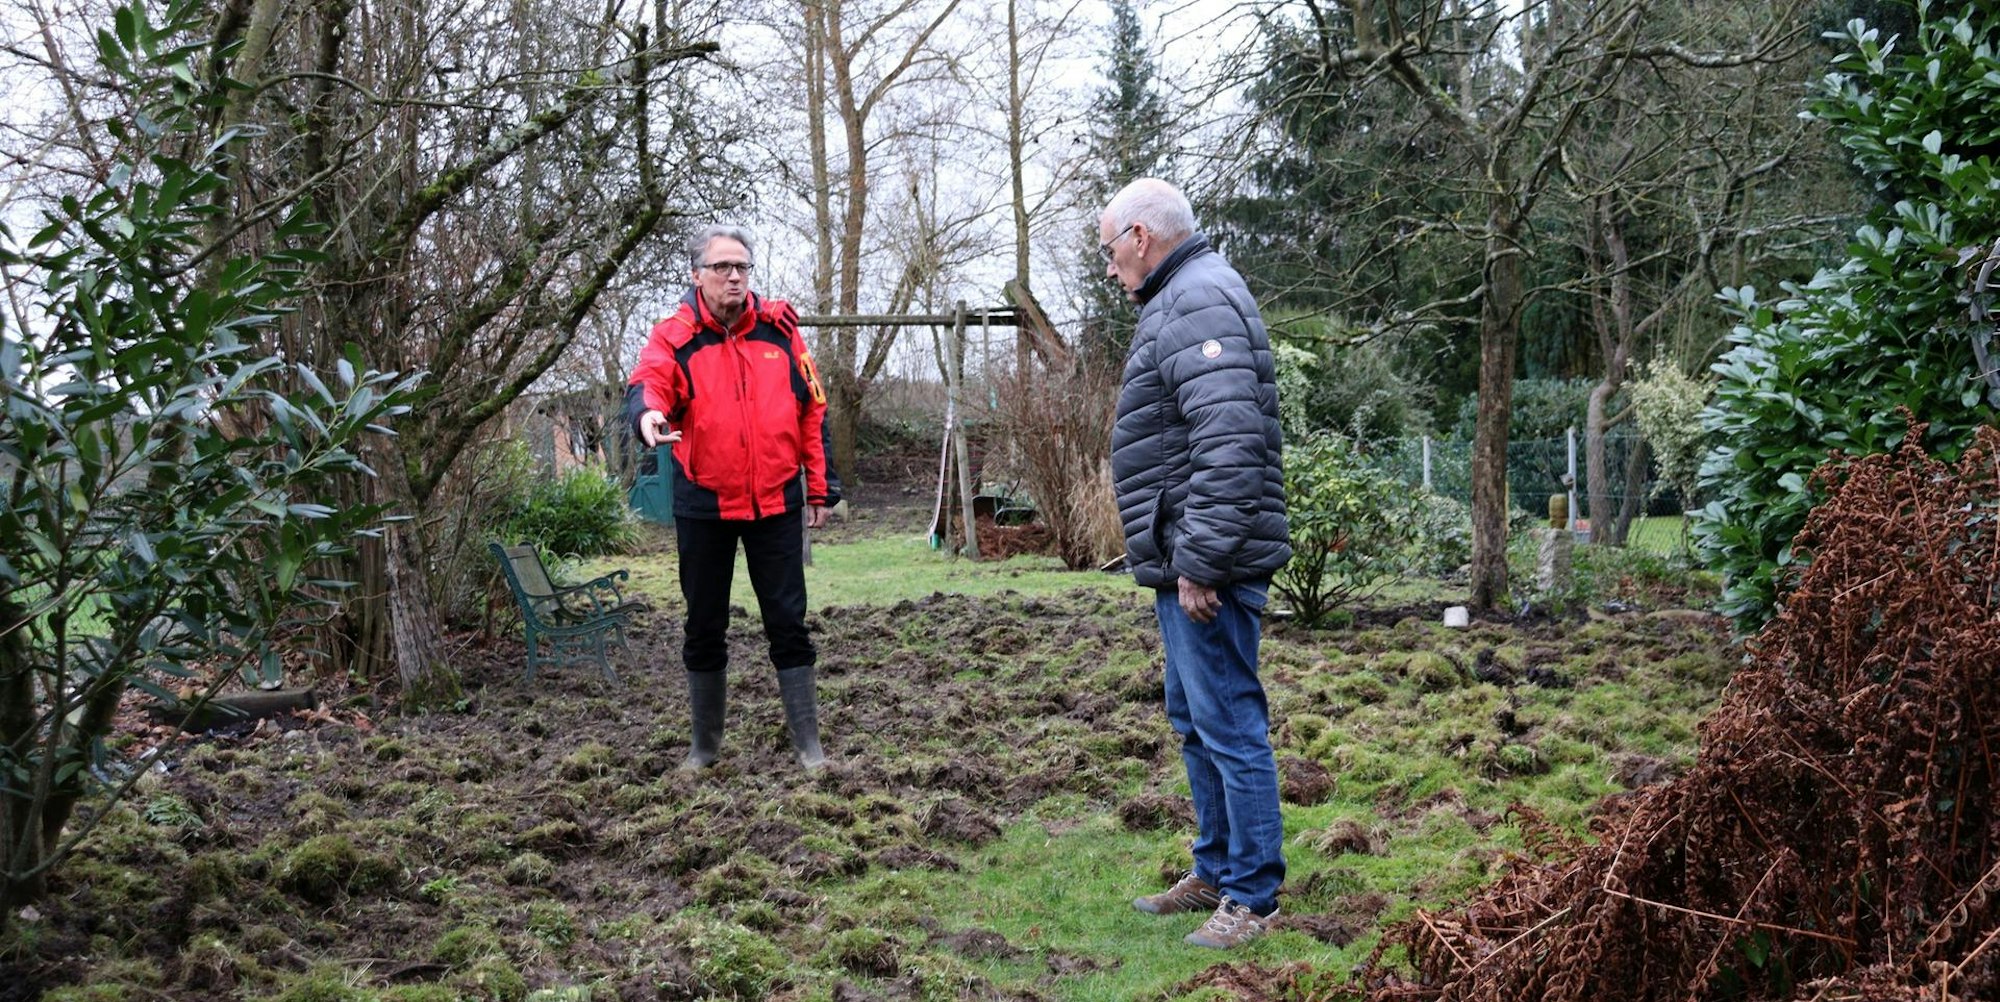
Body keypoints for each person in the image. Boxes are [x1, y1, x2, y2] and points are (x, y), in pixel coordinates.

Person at [1102, 179, 1292, 948]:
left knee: (1228, 722)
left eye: (1110, 251)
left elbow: (1229, 441)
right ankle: (1215, 870)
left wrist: (1203, 561)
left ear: (1141, 236)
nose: (1111, 268)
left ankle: (1252, 898)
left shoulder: (1196, 300)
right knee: (1194, 719)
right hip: (1185, 555)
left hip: (1206, 562)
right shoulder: (1187, 296)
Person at [625, 224, 841, 771]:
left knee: (789, 623)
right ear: (697, 275)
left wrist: (819, 486)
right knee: (703, 625)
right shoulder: (673, 337)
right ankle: (705, 749)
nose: (734, 276)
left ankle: (809, 747)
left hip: (774, 503)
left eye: (742, 266)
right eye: (722, 267)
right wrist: (647, 415)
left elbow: (812, 410)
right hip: (704, 504)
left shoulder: (782, 334)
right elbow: (647, 384)